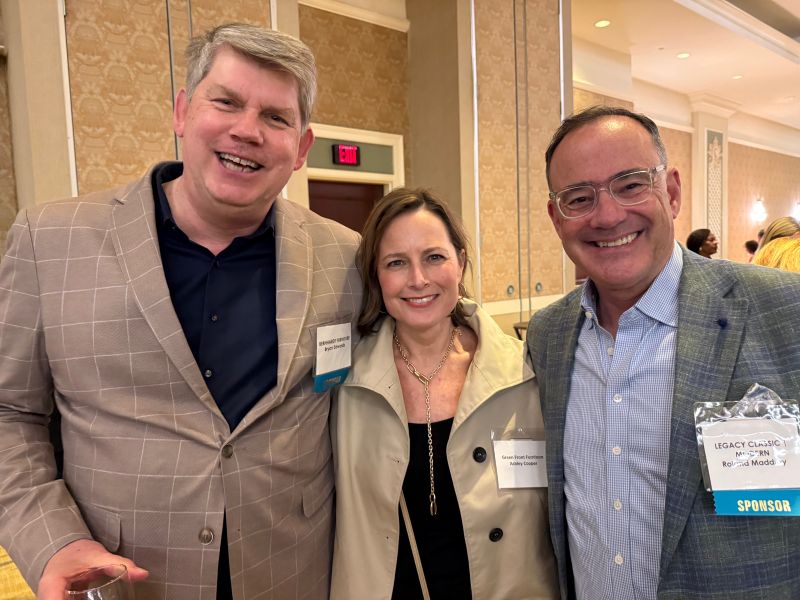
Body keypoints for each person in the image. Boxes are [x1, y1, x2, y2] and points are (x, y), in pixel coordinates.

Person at [0, 23, 361, 600]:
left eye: (275, 117)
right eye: (227, 102)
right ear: (182, 112)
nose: (248, 130)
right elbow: (9, 413)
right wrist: (53, 542)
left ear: (301, 148)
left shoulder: (344, 255)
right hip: (124, 578)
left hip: (290, 572)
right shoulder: (50, 241)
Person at [527, 105, 800, 599]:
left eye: (631, 185)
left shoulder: (784, 310)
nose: (608, 216)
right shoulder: (548, 337)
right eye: (579, 198)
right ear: (556, 218)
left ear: (671, 193)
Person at [330, 188, 558, 599]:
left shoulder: (524, 375)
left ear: (460, 263)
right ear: (376, 276)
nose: (418, 279)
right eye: (396, 263)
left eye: (434, 257)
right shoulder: (344, 385)